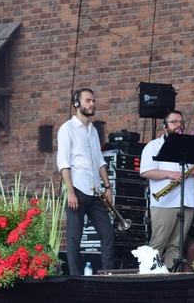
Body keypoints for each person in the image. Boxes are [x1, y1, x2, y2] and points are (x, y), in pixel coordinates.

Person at [56, 88, 116, 275]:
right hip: (78, 189)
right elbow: (63, 162)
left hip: (96, 191)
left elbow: (99, 161)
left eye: (93, 100)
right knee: (75, 237)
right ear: (77, 104)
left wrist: (107, 187)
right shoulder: (67, 128)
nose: (92, 104)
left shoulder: (93, 130)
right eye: (88, 101)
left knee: (107, 233)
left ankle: (108, 275)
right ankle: (75, 277)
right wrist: (71, 191)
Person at [140, 110, 194, 269]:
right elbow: (145, 171)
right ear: (164, 126)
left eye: (181, 122)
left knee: (177, 246)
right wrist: (170, 174)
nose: (179, 125)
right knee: (158, 244)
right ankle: (146, 276)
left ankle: (170, 277)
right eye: (174, 122)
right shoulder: (154, 146)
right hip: (164, 202)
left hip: (188, 202)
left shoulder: (193, 146)